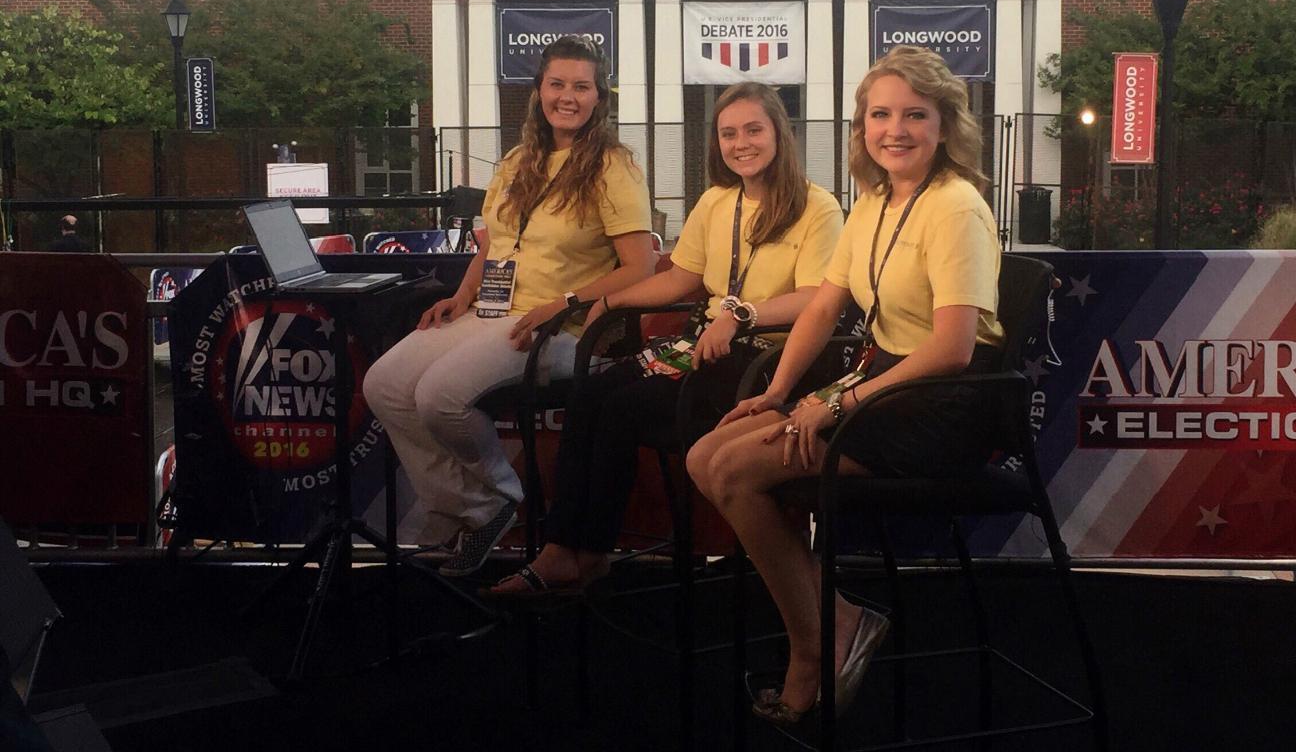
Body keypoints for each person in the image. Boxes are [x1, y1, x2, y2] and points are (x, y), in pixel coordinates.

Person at [686, 46, 1005, 723]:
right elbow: (827, 304)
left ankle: (813, 648)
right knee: (702, 457)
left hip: (941, 406)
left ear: (944, 126)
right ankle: (838, 617)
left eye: (914, 115)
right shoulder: (877, 200)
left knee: (739, 473)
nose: (895, 129)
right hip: (885, 384)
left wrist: (840, 402)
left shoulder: (955, 207)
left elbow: (951, 349)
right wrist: (779, 391)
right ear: (861, 127)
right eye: (880, 114)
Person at [491, 81, 844, 596]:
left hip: (773, 357)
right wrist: (607, 302)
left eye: (753, 130)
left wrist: (741, 315)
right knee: (591, 393)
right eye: (728, 133)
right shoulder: (717, 201)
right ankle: (562, 548)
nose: (740, 142)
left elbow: (817, 297)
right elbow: (680, 279)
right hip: (705, 346)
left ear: (780, 135)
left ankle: (588, 553)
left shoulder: (818, 206)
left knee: (623, 408)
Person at [363, 36, 656, 578]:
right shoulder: (519, 159)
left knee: (438, 395)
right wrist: (460, 295)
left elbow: (641, 267)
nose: (567, 96)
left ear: (599, 98)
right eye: (556, 84)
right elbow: (496, 245)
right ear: (538, 91)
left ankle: (494, 500)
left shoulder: (614, 167)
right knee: (383, 384)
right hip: (493, 312)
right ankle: (471, 509)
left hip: (562, 329)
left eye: (581, 86)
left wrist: (563, 302)